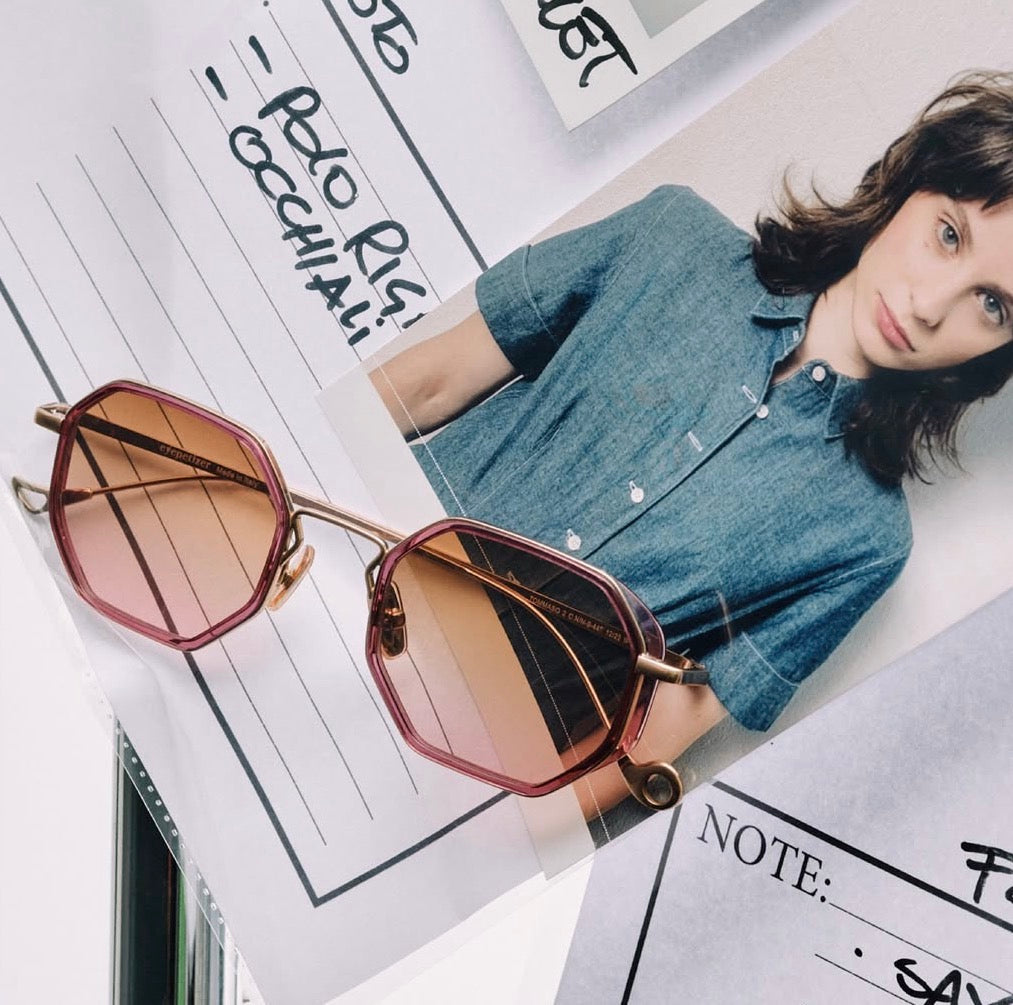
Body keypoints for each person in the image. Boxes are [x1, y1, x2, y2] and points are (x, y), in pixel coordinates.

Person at [369, 71, 1013, 811]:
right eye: (947, 234)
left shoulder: (865, 541)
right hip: (352, 564)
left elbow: (648, 743)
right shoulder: (670, 237)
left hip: (477, 757)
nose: (930, 306)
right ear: (907, 184)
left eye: (992, 304)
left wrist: (473, 842)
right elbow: (428, 383)